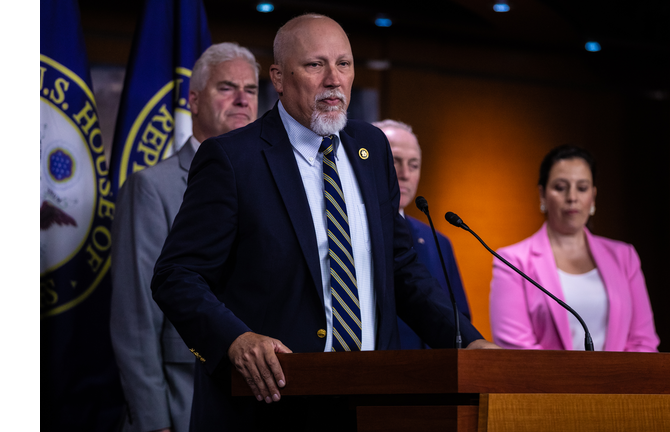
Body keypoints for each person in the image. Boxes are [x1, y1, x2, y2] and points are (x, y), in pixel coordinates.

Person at [151, 13, 498, 431]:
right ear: (278, 77)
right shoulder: (232, 159)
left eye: (345, 64)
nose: (334, 79)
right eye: (316, 65)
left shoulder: (372, 148)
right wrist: (235, 340)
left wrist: (468, 340)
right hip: (269, 407)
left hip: (372, 404)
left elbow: (401, 269)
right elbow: (177, 275)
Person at [110, 42, 260, 432]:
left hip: (259, 400)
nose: (242, 99)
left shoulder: (271, 184)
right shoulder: (151, 187)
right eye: (227, 87)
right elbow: (135, 316)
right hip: (182, 400)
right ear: (193, 100)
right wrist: (152, 420)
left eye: (252, 89)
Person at [489, 144, 660, 352]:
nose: (572, 197)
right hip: (544, 385)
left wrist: (615, 382)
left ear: (593, 196)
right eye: (560, 187)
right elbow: (516, 349)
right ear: (543, 195)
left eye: (582, 188)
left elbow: (643, 342)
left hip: (620, 383)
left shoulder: (624, 256)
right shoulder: (512, 261)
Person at [372, 119, 471, 349]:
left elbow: (459, 317)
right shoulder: (346, 232)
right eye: (394, 162)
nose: (405, 174)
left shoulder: (439, 242)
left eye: (414, 164)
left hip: (432, 378)